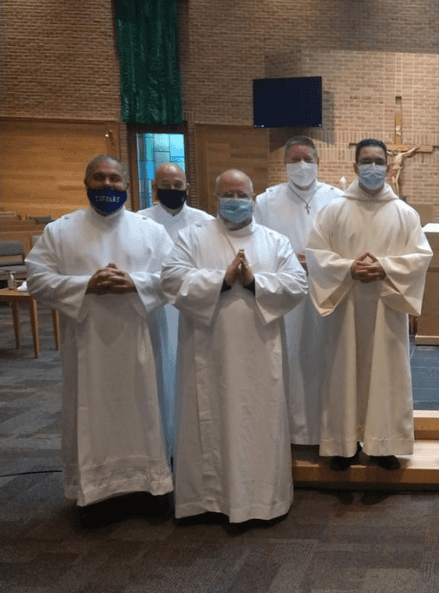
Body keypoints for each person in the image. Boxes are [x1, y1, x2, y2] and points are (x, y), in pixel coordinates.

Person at [26, 154, 174, 521]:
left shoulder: (151, 231)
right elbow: (38, 280)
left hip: (140, 341)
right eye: (99, 177)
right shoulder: (60, 231)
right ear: (86, 183)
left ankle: (150, 485)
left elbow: (174, 278)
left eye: (114, 178)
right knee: (91, 411)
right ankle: (95, 492)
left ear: (127, 185)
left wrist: (135, 283)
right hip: (87, 344)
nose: (107, 184)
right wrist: (85, 286)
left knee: (145, 407)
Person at [162, 169, 308, 523]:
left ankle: (262, 502)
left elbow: (296, 284)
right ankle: (207, 500)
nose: (236, 201)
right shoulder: (193, 236)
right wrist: (222, 281)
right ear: (216, 199)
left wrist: (256, 283)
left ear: (254, 199)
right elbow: (171, 279)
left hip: (260, 354)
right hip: (208, 352)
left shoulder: (275, 241)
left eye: (242, 195)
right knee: (209, 420)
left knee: (259, 424)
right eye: (228, 194)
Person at [305, 138, 431, 471]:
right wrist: (348, 268)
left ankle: (382, 446)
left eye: (378, 162)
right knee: (342, 373)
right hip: (344, 311)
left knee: (386, 377)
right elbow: (315, 255)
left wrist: (385, 268)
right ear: (354, 166)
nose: (372, 167)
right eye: (366, 161)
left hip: (385, 311)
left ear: (388, 168)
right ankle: (343, 446)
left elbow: (420, 258)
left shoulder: (405, 214)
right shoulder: (333, 211)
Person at [254, 136, 342, 445]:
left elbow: (346, 245)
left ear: (318, 162)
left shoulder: (338, 199)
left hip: (326, 290)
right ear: (284, 163)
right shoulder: (265, 202)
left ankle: (328, 432)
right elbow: (256, 243)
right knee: (288, 359)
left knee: (326, 359)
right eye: (294, 159)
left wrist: (317, 260)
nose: (301, 165)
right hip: (284, 294)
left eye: (307, 159)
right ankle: (291, 434)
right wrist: (288, 259)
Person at [139, 162, 212, 458]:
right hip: (155, 310)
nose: (172, 190)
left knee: (191, 378)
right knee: (159, 378)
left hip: (192, 310)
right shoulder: (140, 222)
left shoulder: (205, 222)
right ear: (154, 187)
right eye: (165, 185)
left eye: (177, 185)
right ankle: (160, 448)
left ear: (187, 188)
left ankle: (191, 447)